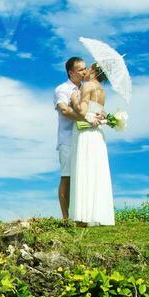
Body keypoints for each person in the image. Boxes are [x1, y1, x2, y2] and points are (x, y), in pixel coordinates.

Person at [68, 62, 115, 226]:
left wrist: (74, 100)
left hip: (85, 132)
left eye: (88, 68)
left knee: (84, 167)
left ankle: (83, 216)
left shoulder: (87, 86)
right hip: (97, 133)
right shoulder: (102, 91)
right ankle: (97, 215)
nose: (85, 71)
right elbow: (99, 112)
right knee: (97, 170)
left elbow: (81, 111)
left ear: (94, 71)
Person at [54, 57, 100, 220]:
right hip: (67, 139)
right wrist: (84, 118)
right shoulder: (62, 89)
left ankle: (78, 214)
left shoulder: (85, 89)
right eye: (80, 69)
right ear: (71, 72)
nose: (84, 71)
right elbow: (64, 110)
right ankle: (66, 217)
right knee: (67, 177)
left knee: (81, 175)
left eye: (85, 68)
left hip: (81, 138)